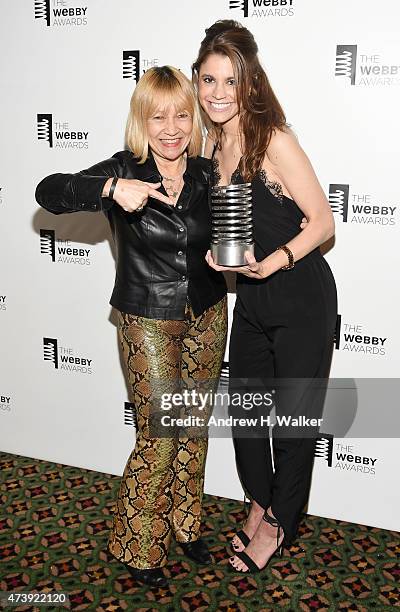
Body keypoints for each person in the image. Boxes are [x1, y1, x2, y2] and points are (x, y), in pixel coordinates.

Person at [35, 66, 227, 587]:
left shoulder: (208, 173)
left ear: (194, 119)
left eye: (182, 115)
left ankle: (185, 524)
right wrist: (113, 187)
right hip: (147, 317)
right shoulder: (125, 168)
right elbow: (48, 191)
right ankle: (137, 546)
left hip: (208, 313)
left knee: (193, 428)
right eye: (157, 115)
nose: (171, 127)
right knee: (160, 434)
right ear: (141, 120)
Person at [192, 20, 337, 574]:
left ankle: (280, 522)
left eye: (230, 80)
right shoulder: (213, 142)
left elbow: (322, 221)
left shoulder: (272, 136)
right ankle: (258, 501)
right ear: (198, 82)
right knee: (249, 415)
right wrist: (216, 255)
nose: (219, 93)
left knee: (293, 423)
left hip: (300, 297)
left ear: (249, 83)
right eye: (209, 80)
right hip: (252, 301)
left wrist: (273, 260)